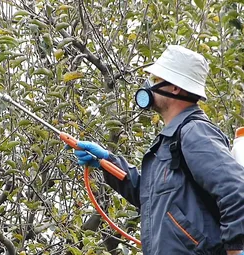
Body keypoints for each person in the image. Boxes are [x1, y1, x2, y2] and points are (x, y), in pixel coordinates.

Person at [72, 45, 244, 255]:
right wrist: (106, 162)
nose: (149, 87)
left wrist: (236, 249)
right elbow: (152, 196)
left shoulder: (193, 131)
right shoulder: (171, 140)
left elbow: (236, 190)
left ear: (175, 87)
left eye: (155, 80)